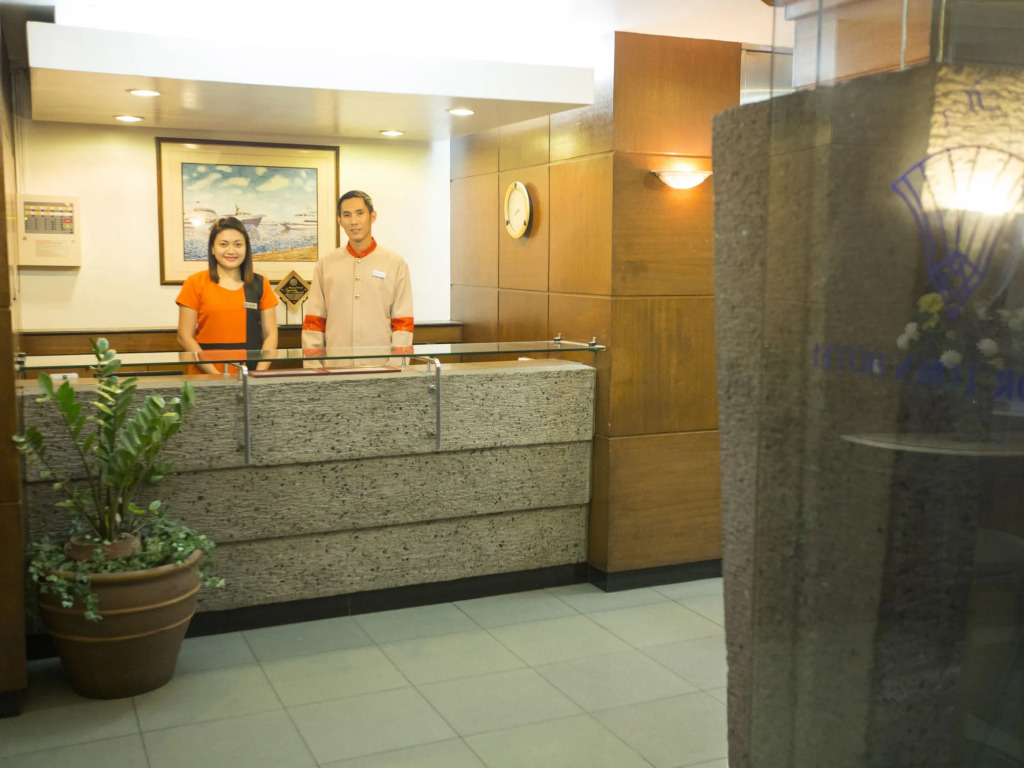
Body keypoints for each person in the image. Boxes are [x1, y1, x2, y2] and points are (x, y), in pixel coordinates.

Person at [301, 191, 413, 365]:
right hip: (335, 369)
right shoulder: (326, 265)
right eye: (347, 215)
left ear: (372, 216)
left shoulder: (395, 264)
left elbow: (403, 323)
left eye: (360, 213)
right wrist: (313, 368)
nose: (353, 221)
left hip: (381, 369)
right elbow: (314, 322)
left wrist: (396, 367)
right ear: (339, 220)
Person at [176, 216, 279, 374]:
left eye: (238, 244)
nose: (231, 251)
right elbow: (184, 336)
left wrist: (258, 375)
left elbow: (271, 335)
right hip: (205, 377)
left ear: (246, 248)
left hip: (249, 376)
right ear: (212, 248)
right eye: (223, 244)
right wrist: (216, 376)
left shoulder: (260, 284)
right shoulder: (195, 283)